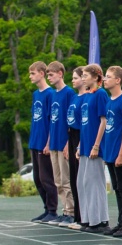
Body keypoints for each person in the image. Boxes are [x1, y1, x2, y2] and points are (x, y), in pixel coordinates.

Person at [76, 64, 110, 233]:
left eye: (85, 75)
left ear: (96, 77)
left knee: (94, 183)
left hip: (94, 147)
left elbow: (103, 121)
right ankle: (87, 218)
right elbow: (85, 124)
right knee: (82, 183)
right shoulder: (87, 95)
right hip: (85, 145)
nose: (83, 78)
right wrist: (80, 145)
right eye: (82, 75)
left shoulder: (100, 94)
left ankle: (99, 221)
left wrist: (96, 145)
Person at [101, 66, 122, 237]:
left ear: (118, 80)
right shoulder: (109, 101)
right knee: (117, 188)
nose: (105, 79)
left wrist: (121, 154)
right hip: (110, 152)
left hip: (119, 152)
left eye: (108, 77)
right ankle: (120, 223)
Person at [45, 61, 76, 227]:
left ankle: (71, 212)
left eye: (51, 75)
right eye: (48, 75)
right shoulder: (53, 95)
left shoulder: (69, 93)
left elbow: (71, 120)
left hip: (64, 143)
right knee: (57, 181)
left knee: (66, 180)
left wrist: (68, 144)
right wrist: (48, 143)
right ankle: (64, 210)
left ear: (60, 74)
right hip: (54, 144)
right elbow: (52, 121)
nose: (49, 78)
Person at [28, 61, 58, 224]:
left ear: (41, 73)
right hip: (35, 141)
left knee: (46, 178)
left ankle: (53, 210)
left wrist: (48, 143)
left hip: (44, 143)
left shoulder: (50, 94)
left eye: (33, 73)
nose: (30, 76)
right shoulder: (36, 94)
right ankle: (46, 208)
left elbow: (52, 120)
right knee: (37, 179)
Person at [66, 67, 86, 230]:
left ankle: (84, 216)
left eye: (75, 78)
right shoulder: (74, 97)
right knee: (73, 177)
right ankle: (77, 216)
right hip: (72, 136)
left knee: (81, 177)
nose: (73, 80)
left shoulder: (86, 98)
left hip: (81, 135)